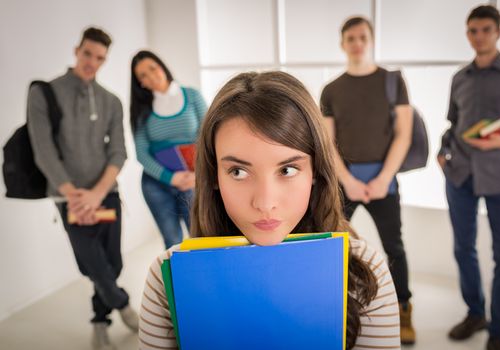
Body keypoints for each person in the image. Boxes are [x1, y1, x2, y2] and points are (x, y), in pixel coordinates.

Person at [138, 71, 401, 349]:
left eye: (287, 169)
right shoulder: (167, 279)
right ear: (215, 176)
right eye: (238, 171)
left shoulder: (364, 273)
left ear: (315, 171)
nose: (265, 203)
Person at [27, 27, 137, 350]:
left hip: (107, 195)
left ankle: (99, 323)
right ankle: (122, 304)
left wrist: (97, 193)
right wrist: (76, 195)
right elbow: (42, 149)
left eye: (100, 58)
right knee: (91, 263)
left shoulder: (112, 102)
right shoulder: (44, 93)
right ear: (77, 50)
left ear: (105, 60)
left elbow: (119, 152)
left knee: (113, 263)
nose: (92, 62)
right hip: (68, 198)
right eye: (87, 53)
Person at [319, 16, 415, 344]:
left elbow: (404, 134)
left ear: (371, 40)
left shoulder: (392, 81)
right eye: (351, 38)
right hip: (345, 180)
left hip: (383, 180)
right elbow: (327, 142)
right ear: (342, 44)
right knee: (332, 243)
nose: (357, 43)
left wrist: (383, 178)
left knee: (395, 247)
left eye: (362, 37)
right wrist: (346, 180)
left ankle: (403, 308)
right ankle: (336, 308)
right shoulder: (331, 90)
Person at [438, 5, 500, 350]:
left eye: (485, 29)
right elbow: (453, 124)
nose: (479, 36)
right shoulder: (459, 78)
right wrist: (442, 153)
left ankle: (499, 332)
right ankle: (475, 312)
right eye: (472, 30)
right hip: (460, 175)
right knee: (463, 249)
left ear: (499, 32)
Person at [130, 50, 207, 249]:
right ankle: (177, 281)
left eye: (152, 68)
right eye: (142, 75)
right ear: (141, 84)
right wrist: (171, 178)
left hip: (192, 181)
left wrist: (196, 175)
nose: (151, 76)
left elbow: (208, 136)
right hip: (156, 185)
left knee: (200, 240)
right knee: (172, 243)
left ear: (162, 67)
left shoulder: (192, 96)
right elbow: (141, 153)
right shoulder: (142, 110)